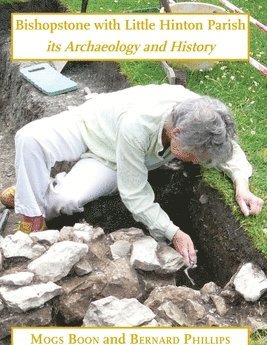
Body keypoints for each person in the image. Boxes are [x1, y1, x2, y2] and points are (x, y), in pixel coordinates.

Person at [0, 84, 263, 266]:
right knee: (30, 138)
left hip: (112, 161)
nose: (197, 161)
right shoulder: (139, 124)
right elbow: (136, 194)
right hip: (89, 124)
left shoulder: (199, 113)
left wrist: (242, 184)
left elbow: (227, 148)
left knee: (66, 202)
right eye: (193, 155)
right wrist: (174, 232)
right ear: (178, 133)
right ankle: (31, 218)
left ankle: (28, 191)